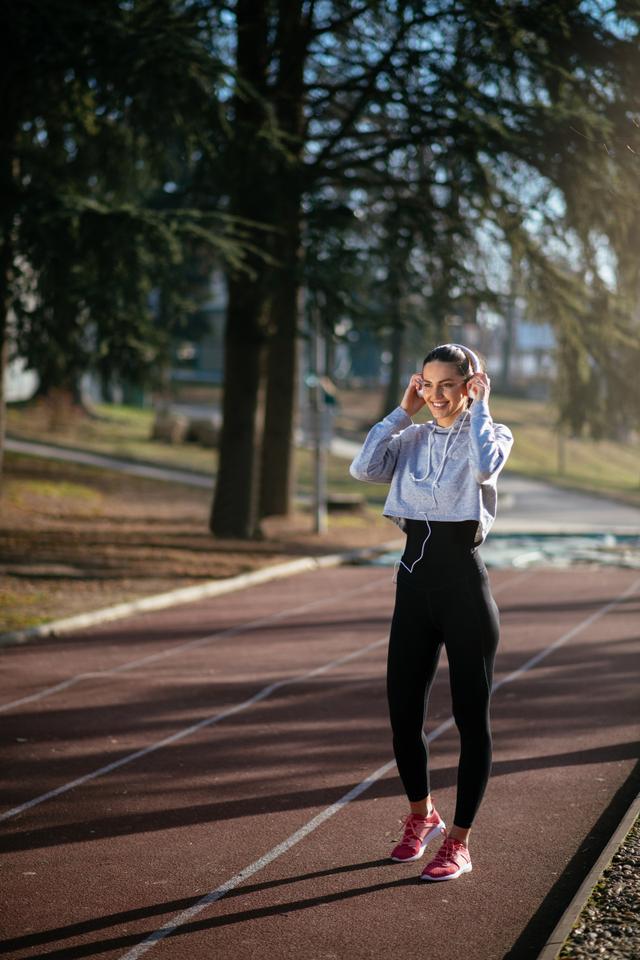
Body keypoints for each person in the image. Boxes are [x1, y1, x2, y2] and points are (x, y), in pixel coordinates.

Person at [349, 343, 513, 881]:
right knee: (402, 716)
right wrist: (403, 411)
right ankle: (422, 817)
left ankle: (460, 842)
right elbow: (363, 467)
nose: (437, 395)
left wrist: (482, 407)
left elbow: (487, 465)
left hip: (464, 590)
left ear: (470, 385)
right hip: (413, 590)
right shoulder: (412, 438)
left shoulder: (491, 434)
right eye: (428, 384)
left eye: (449, 385)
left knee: (471, 721)